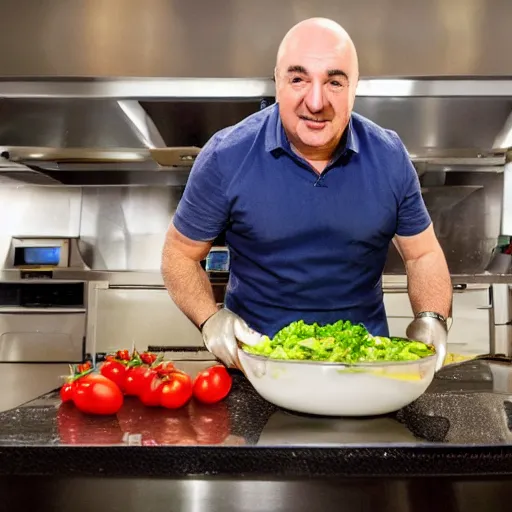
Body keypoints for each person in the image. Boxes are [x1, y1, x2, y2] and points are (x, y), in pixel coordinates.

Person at [161, 17, 452, 369]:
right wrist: (210, 319)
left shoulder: (390, 156)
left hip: (363, 368)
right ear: (277, 82)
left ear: (355, 87)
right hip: (255, 364)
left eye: (334, 82)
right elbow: (179, 254)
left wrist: (432, 316)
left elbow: (422, 254)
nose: (316, 102)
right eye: (298, 79)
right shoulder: (225, 155)